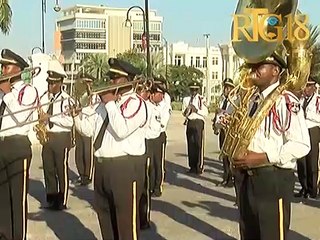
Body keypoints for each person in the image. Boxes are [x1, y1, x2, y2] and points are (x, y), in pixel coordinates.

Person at [228, 53, 310, 240]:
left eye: (260, 65)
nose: (253, 69)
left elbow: (301, 144)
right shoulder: (252, 100)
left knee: (271, 234)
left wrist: (261, 157)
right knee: (249, 233)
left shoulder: (285, 101)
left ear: (275, 71)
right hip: (247, 178)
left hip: (272, 178)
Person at [73, 58, 147, 240]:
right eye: (111, 77)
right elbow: (89, 130)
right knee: (105, 220)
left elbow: (121, 130)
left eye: (116, 78)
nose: (111, 82)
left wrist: (110, 104)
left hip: (125, 168)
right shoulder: (104, 105)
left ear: (128, 80)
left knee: (126, 227)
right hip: (102, 167)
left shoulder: (136, 103)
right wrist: (76, 116)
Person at [0, 49, 38, 240]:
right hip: (2, 144)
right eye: (2, 67)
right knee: (3, 197)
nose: (3, 70)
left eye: (6, 67)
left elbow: (22, 118)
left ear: (17, 69)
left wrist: (7, 94)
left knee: (17, 197)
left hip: (18, 145)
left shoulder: (28, 91)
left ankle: (18, 236)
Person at [39, 59, 74, 211]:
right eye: (49, 83)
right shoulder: (45, 98)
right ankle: (51, 198)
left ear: (60, 83)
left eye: (52, 83)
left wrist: (50, 118)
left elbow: (69, 122)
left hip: (61, 137)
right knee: (49, 169)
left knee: (61, 169)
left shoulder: (66, 99)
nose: (50, 86)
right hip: (49, 136)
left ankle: (62, 200)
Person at [295, 76, 320, 199]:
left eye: (309, 86)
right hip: (301, 129)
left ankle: (313, 189)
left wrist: (308, 116)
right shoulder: (301, 100)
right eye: (306, 86)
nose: (306, 88)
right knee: (301, 161)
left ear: (314, 88)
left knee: (311, 161)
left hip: (313, 129)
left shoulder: (318, 100)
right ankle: (304, 187)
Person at [73, 72, 98, 186]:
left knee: (87, 153)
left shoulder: (95, 96)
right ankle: (81, 174)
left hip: (88, 125)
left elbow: (94, 110)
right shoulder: (77, 96)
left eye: (87, 82)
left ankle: (88, 176)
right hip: (78, 123)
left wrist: (83, 110)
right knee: (79, 152)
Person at [182, 81, 208, 174]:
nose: (193, 92)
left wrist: (196, 109)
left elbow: (205, 113)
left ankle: (199, 166)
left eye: (195, 90)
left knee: (198, 144)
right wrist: (187, 110)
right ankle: (192, 166)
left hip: (198, 121)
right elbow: (183, 113)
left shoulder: (202, 99)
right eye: (192, 90)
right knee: (190, 144)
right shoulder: (186, 99)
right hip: (190, 121)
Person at [214, 78, 235, 187]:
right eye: (225, 87)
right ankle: (225, 176)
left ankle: (231, 178)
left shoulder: (235, 100)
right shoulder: (222, 100)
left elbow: (233, 114)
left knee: (229, 155)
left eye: (228, 88)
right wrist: (216, 125)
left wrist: (223, 112)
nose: (226, 90)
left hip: (230, 131)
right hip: (222, 129)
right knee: (223, 154)